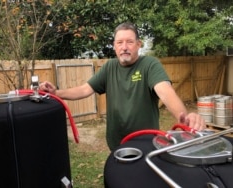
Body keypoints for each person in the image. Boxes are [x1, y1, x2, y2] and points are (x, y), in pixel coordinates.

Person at [39, 22, 206, 151]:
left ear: (138, 44)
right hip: (116, 142)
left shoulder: (149, 64)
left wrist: (184, 116)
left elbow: (165, 91)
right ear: (114, 46)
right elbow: (84, 89)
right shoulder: (109, 67)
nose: (124, 47)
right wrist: (56, 92)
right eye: (119, 42)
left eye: (129, 42)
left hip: (146, 141)